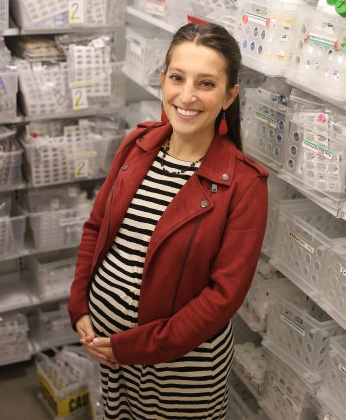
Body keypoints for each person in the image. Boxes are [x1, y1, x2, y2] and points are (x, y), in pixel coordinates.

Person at [68, 22, 268, 420]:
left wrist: (141, 345)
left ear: (230, 95)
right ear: (163, 80)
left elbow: (222, 297)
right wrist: (80, 305)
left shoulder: (244, 184)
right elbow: (96, 228)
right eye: (177, 78)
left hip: (182, 371)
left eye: (206, 84)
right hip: (111, 352)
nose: (187, 95)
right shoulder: (138, 144)